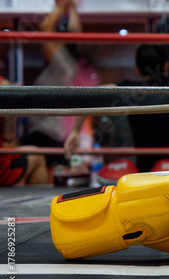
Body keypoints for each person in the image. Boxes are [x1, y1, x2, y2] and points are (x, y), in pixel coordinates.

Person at [65, 44, 169, 172]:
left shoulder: (131, 91)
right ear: (166, 66)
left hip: (147, 169)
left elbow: (90, 96)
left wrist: (75, 131)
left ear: (137, 69)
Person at [17, 0, 98, 168]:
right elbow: (73, 34)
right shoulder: (66, 68)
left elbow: (46, 31)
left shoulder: (64, 66)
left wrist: (63, 5)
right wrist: (69, 6)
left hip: (46, 136)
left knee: (14, 155)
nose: (43, 50)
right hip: (51, 136)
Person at [0, 76, 48, 186]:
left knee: (31, 150)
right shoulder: (3, 85)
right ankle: (36, 202)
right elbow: (9, 136)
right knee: (37, 156)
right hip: (1, 168)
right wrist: (15, 105)